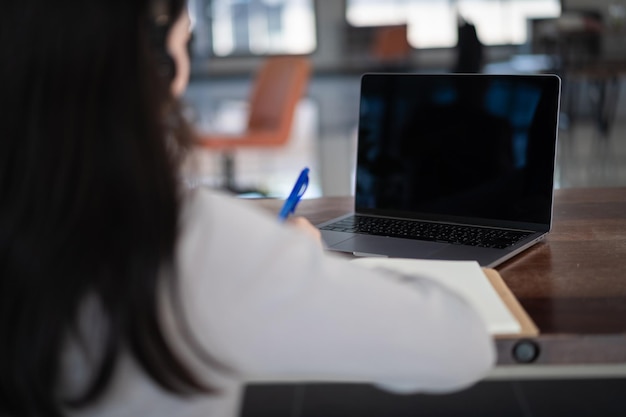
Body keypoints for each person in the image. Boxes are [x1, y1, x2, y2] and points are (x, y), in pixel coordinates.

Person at [0, 1, 495, 416]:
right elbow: (462, 348)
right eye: (185, 38)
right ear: (157, 65)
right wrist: (296, 261)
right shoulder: (198, 244)